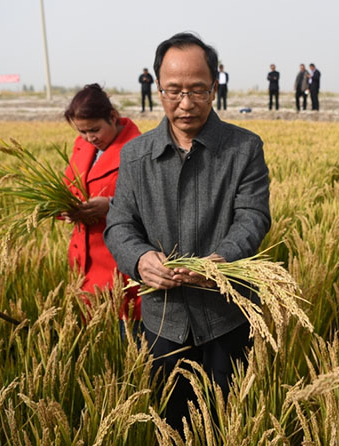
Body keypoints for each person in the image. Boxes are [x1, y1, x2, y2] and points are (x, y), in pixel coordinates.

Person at [103, 32, 271, 430]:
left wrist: (218, 264)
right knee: (169, 425)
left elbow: (253, 218)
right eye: (173, 90)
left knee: (228, 425)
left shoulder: (243, 148)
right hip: (163, 322)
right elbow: (119, 223)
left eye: (197, 90)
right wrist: (141, 259)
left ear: (214, 88)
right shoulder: (136, 154)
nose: (185, 103)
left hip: (226, 318)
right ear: (157, 89)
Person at [61, 84, 142, 322]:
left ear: (113, 117)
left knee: (125, 338)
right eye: (82, 131)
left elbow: (154, 204)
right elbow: (69, 188)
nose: (89, 138)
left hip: (118, 266)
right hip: (84, 265)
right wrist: (65, 209)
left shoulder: (139, 150)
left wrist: (111, 205)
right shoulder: (82, 146)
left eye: (94, 130)